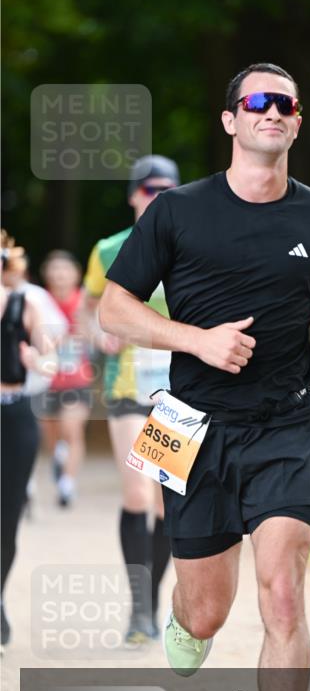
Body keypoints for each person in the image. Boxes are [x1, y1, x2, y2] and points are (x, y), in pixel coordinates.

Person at [99, 62, 310, 691]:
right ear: (230, 121)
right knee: (206, 611)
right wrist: (196, 340)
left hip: (287, 420)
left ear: (297, 121)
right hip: (184, 421)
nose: (272, 112)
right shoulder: (176, 211)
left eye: (285, 103)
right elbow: (112, 313)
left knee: (282, 588)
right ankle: (183, 622)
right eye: (257, 101)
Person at [82, 155, 181, 645]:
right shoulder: (108, 250)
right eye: (149, 190)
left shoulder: (193, 246)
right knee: (137, 495)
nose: (157, 198)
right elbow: (88, 310)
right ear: (133, 195)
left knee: (165, 502)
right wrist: (99, 335)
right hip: (126, 388)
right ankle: (138, 610)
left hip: (177, 392)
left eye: (167, 190)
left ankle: (154, 600)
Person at [1, 231, 56, 645]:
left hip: (14, 415)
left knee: (7, 520)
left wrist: (38, 359)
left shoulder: (26, 303)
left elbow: (51, 357)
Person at [39, 250, 94, 507]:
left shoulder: (84, 301)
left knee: (72, 430)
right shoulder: (40, 301)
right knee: (52, 437)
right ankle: (59, 459)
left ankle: (67, 484)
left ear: (76, 274)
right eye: (54, 269)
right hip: (46, 382)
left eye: (65, 269)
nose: (60, 274)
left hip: (77, 380)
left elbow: (99, 335)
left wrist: (86, 331)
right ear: (46, 274)